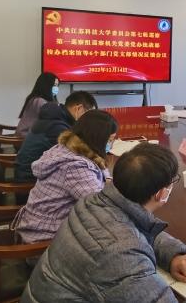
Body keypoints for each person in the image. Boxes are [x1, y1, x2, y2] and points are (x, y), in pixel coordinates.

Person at [21, 143, 186, 303]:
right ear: (162, 193)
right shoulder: (121, 256)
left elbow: (133, 228)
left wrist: (173, 254)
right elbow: (122, 244)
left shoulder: (95, 201)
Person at [13, 110, 118, 259]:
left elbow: (102, 171)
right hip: (43, 245)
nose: (111, 144)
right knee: (115, 242)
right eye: (110, 140)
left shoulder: (67, 148)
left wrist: (107, 180)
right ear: (99, 138)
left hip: (39, 228)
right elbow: (100, 206)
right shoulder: (75, 166)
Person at [14, 91, 98, 185]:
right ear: (79, 108)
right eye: (88, 115)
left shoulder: (55, 117)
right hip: (30, 181)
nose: (88, 120)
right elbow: (77, 155)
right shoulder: (57, 127)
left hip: (31, 173)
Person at [15, 72, 59, 137]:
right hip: (25, 138)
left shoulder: (36, 99)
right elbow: (54, 118)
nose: (56, 88)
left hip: (30, 136)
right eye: (54, 85)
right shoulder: (39, 101)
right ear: (46, 85)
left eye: (57, 85)